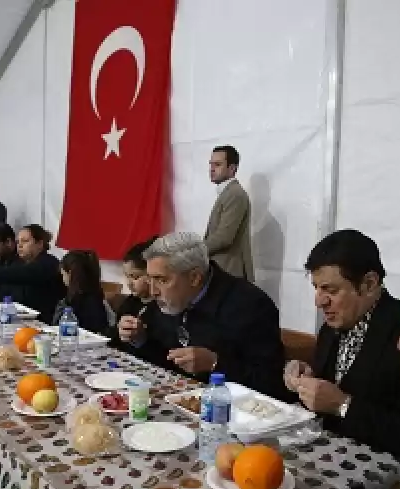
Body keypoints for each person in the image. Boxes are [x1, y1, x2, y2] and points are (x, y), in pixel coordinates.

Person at [284, 229, 400, 478]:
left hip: (387, 481)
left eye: (331, 290)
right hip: (330, 462)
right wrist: (307, 378)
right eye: (316, 288)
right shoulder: (332, 326)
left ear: (369, 284)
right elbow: (334, 386)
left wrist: (343, 405)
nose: (319, 301)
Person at [118, 232, 286, 399]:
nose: (153, 291)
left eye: (162, 280)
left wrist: (215, 364)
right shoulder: (165, 300)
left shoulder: (250, 305)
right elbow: (165, 361)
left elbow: (272, 382)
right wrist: (141, 340)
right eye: (150, 280)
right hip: (180, 399)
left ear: (194, 278)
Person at [204, 145, 254, 281]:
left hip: (230, 273)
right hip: (223, 271)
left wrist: (194, 251)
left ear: (232, 168)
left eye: (218, 164)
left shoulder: (235, 194)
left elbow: (224, 237)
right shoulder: (228, 193)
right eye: (211, 164)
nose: (212, 169)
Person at [108, 237, 157, 347]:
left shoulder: (162, 308)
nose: (129, 283)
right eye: (127, 276)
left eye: (135, 277)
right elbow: (115, 333)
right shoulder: (130, 302)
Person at [52, 250, 109, 335]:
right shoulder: (96, 296)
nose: (62, 278)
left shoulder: (78, 301)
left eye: (63, 274)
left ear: (70, 273)